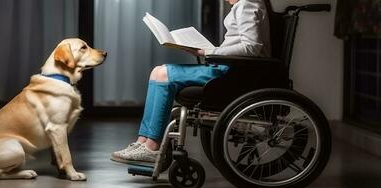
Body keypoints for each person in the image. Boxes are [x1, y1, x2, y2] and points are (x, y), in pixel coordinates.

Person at [110, 0, 271, 164]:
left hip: (233, 72)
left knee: (163, 74)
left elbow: (251, 47)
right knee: (157, 71)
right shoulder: (242, 5)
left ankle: (152, 147)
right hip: (227, 66)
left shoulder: (247, 5)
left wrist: (207, 51)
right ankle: (142, 141)